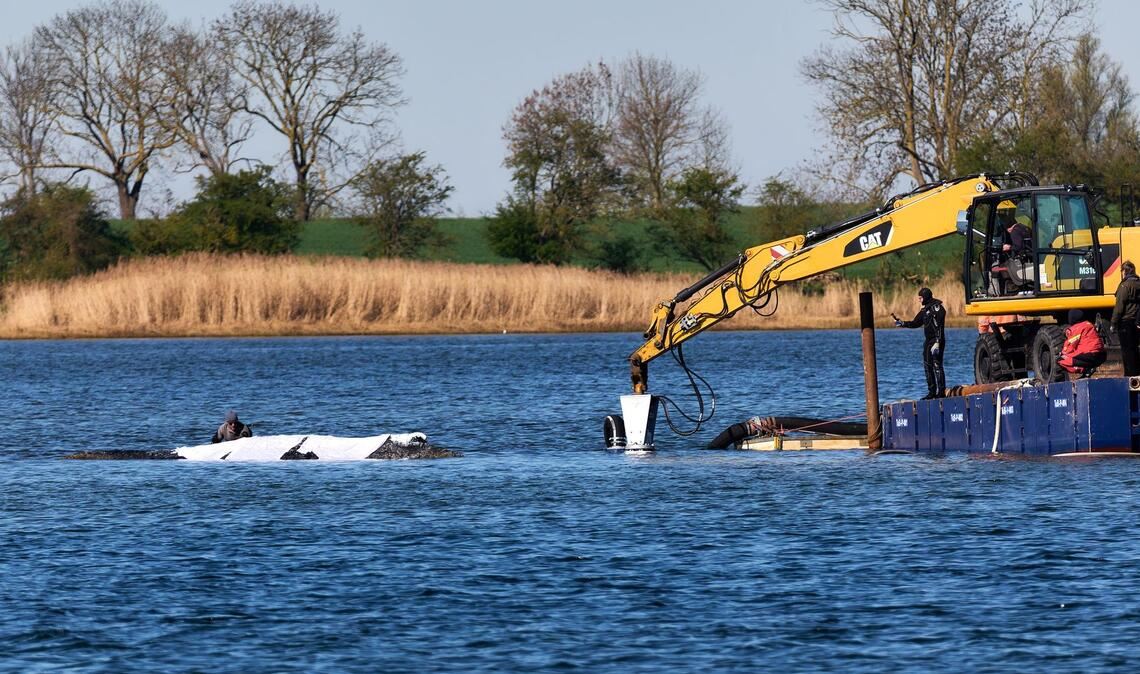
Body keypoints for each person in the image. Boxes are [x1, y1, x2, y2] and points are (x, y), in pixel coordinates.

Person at [895, 287, 947, 399]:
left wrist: (938, 341)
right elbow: (915, 323)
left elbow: (939, 326)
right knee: (928, 365)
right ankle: (932, 392)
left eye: (920, 298)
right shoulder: (924, 311)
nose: (919, 300)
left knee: (937, 365)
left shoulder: (937, 308)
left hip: (937, 340)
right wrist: (903, 323)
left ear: (926, 297)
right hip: (928, 342)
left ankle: (941, 392)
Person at [1057, 309, 1106, 377]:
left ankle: (1085, 370)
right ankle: (1089, 368)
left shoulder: (1075, 328)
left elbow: (1069, 346)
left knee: (1061, 360)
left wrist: (1062, 353)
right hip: (1101, 355)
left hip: (1089, 355)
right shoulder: (1089, 324)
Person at [1111, 260, 1140, 376]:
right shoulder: (1138, 283)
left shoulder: (1125, 285)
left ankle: (1130, 375)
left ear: (1124, 272)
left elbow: (1119, 306)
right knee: (1135, 348)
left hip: (1126, 321)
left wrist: (1113, 322)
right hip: (1137, 320)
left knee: (1127, 350)